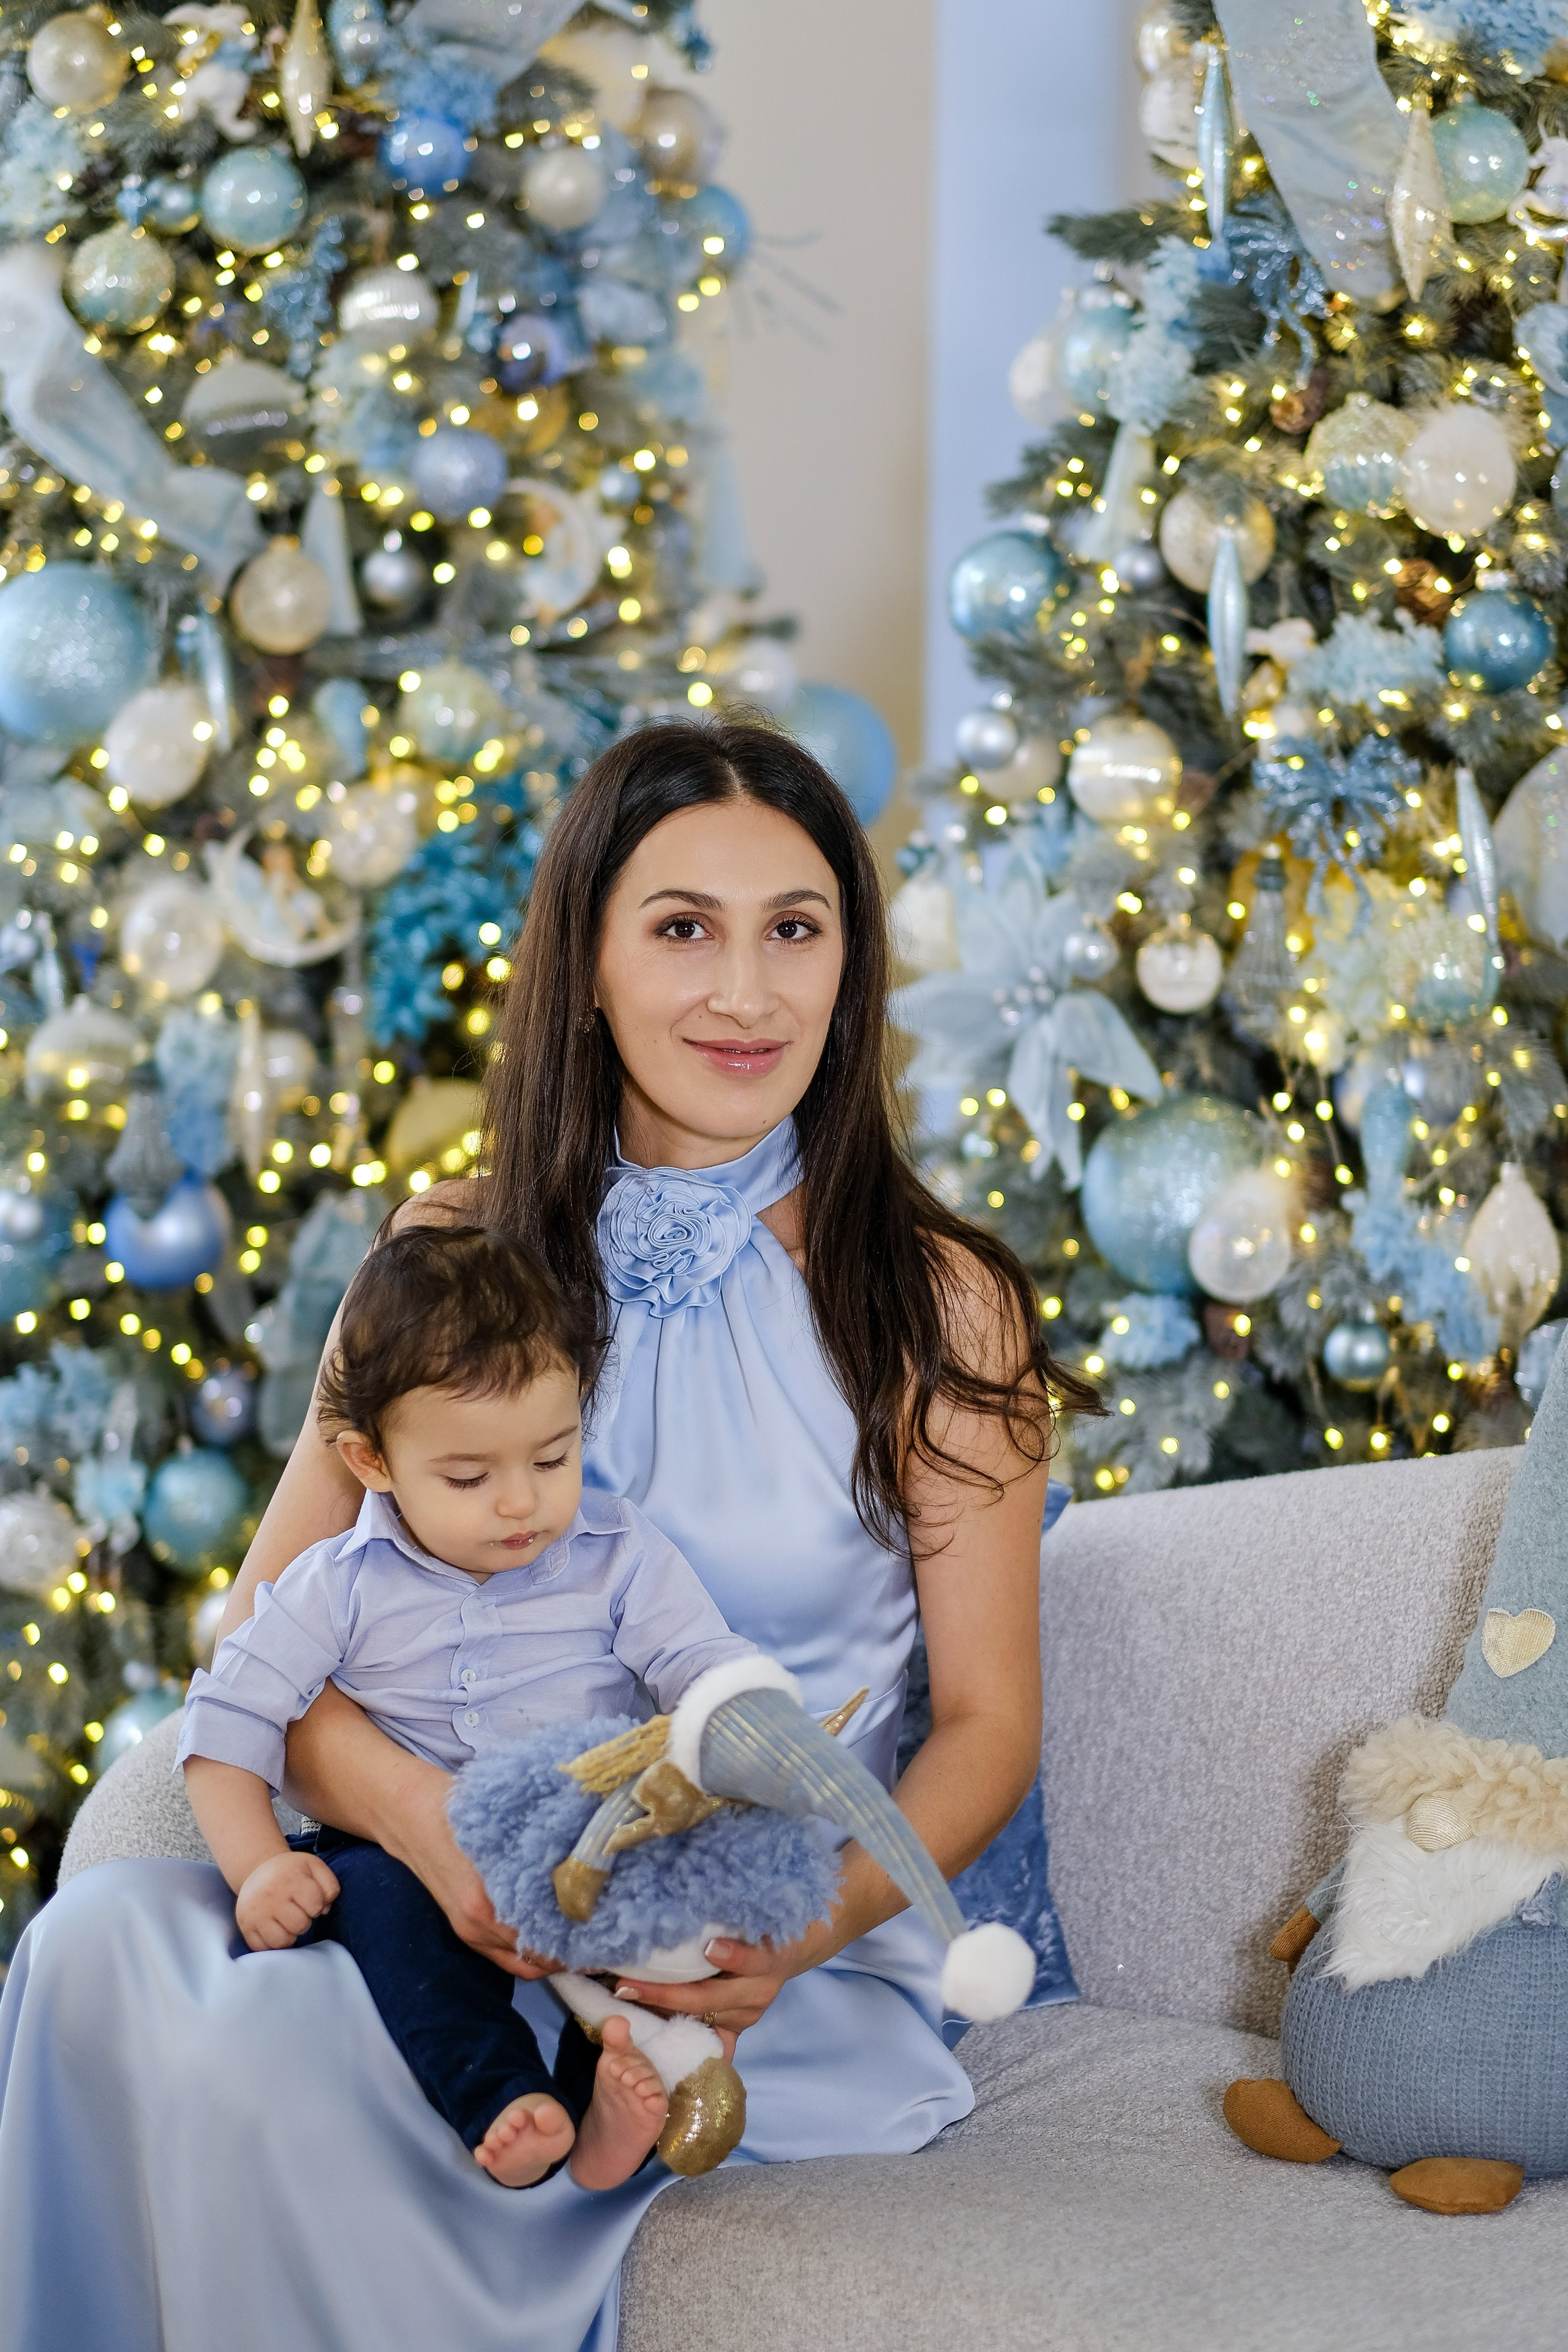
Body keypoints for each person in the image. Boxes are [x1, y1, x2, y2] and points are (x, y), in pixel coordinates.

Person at [0, 718, 1099, 2352]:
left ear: (849, 970)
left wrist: (780, 1947)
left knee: (280, 2069)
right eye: (681, 929)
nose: (746, 992)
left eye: (795, 930)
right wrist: (429, 1833)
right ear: (583, 962)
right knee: (97, 1945)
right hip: (426, 1899)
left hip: (728, 1953)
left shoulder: (942, 1305)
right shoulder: (449, 1245)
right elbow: (269, 1635)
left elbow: (991, 1727)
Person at [179, 1221, 760, 2193]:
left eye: (553, 1457)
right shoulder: (339, 1585)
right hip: (408, 1855)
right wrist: (258, 1866)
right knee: (390, 1921)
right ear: (371, 1462)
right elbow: (226, 1721)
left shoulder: (619, 1554)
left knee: (667, 1890)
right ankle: (505, 2101)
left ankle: (624, 2101)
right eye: (467, 1477)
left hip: (579, 1832)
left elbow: (700, 1658)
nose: (520, 1505)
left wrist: (740, 1723)